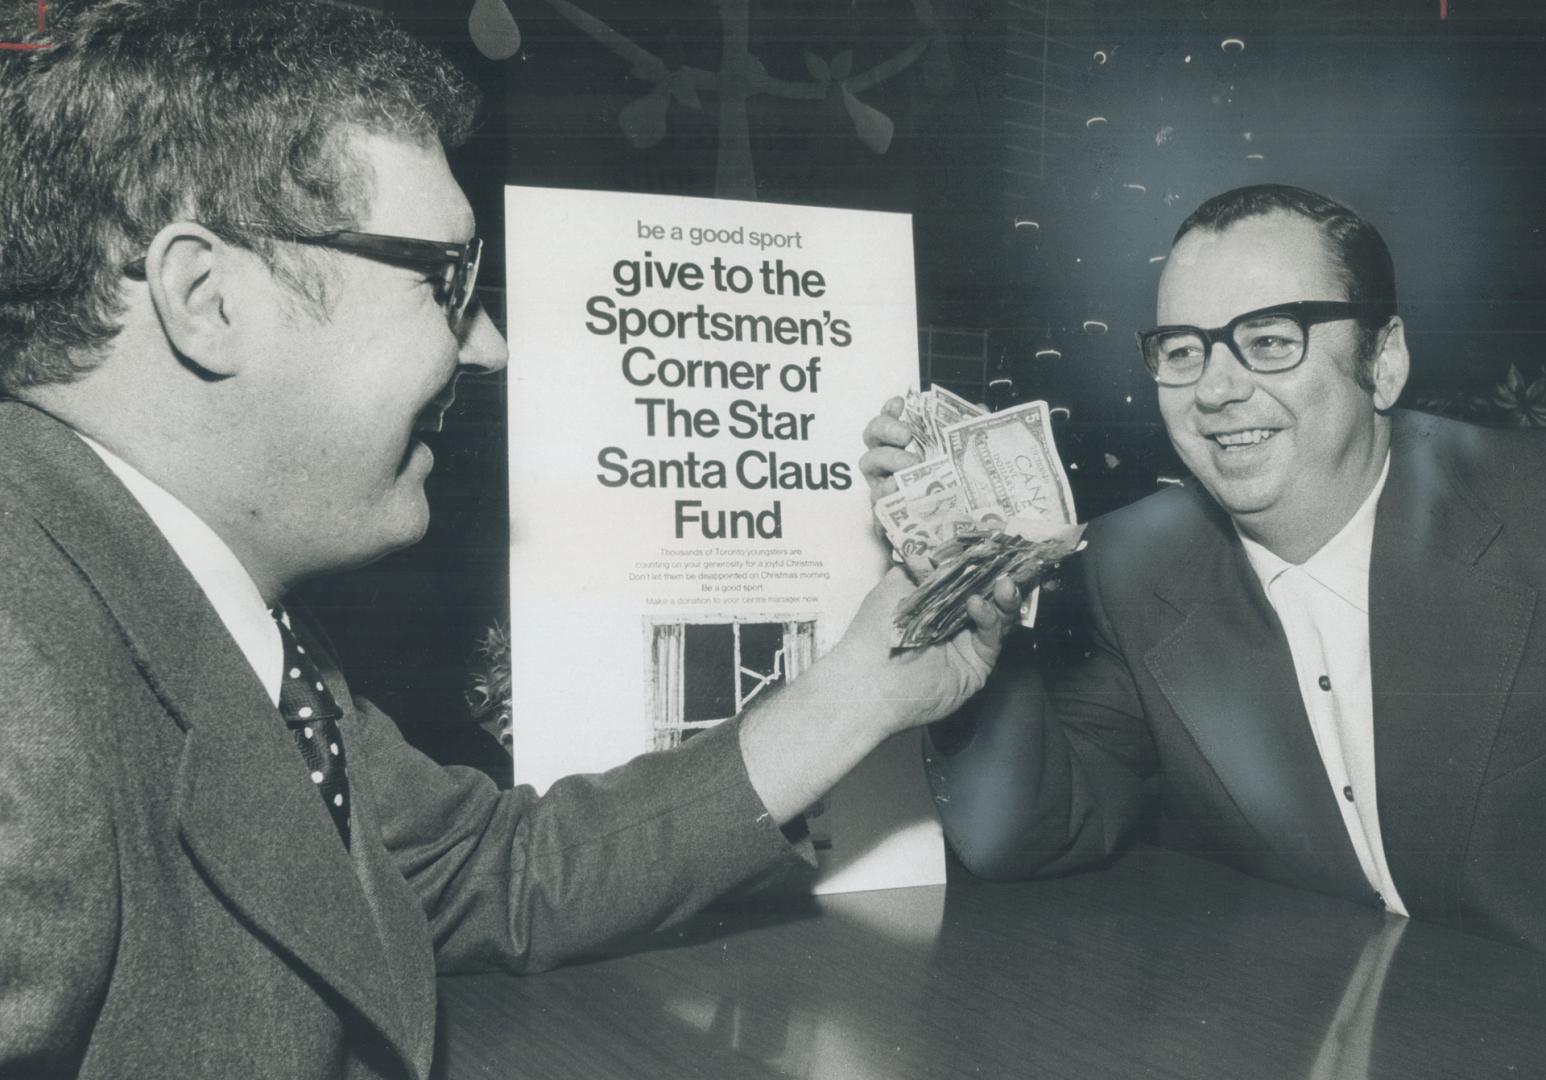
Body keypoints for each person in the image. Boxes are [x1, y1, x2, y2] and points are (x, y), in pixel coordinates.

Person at [0, 3, 1022, 1076]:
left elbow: (493, 871)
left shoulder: (177, 595)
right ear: (206, 301)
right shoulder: (20, 673)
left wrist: (874, 680)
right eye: (445, 281)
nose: (486, 344)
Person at [863, 183, 1546, 952]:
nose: (1216, 390)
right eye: (1183, 351)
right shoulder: (1131, 564)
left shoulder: (1527, 512)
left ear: (1383, 362)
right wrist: (971, 639)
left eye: (1270, 340)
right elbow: (1027, 835)